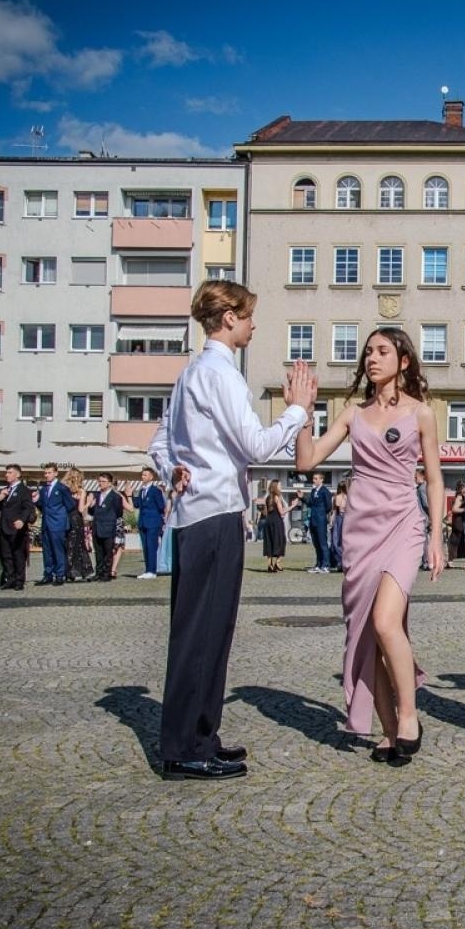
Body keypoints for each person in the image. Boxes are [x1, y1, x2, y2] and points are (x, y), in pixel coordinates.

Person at [149, 279, 313, 781]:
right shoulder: (221, 374)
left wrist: (173, 470)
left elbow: (159, 443)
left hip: (196, 513)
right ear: (229, 319)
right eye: (248, 316)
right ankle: (186, 747)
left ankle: (200, 735)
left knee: (205, 631)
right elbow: (255, 446)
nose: (253, 325)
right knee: (205, 633)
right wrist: (297, 410)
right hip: (215, 513)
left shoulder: (190, 374)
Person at [297, 327, 443, 764]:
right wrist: (303, 413)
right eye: (368, 353)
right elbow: (307, 460)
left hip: (403, 524)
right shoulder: (352, 414)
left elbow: (435, 479)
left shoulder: (422, 413)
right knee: (365, 637)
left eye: (382, 351)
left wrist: (436, 536)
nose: (372, 359)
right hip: (360, 531)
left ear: (404, 361)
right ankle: (389, 731)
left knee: (384, 622)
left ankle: (409, 716)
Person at [0, 464, 34, 590]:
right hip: (4, 526)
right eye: (6, 472)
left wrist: (22, 520)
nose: (6, 475)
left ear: (17, 475)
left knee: (18, 555)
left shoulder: (24, 490)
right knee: (6, 555)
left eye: (10, 472)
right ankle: (10, 578)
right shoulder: (5, 490)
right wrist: (0, 497)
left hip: (17, 528)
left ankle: (19, 580)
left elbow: (28, 507)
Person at [34, 462, 72, 586]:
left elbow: (70, 505)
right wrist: (36, 501)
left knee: (58, 550)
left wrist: (61, 516)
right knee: (47, 551)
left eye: (49, 473)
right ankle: (48, 574)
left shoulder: (62, 488)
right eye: (45, 473)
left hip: (58, 523)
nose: (47, 475)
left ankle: (60, 575)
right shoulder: (44, 489)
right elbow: (42, 506)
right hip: (46, 523)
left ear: (56, 473)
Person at [132, 467, 166, 579]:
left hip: (153, 522)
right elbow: (137, 504)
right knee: (145, 547)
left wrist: (158, 517)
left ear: (151, 477)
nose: (143, 477)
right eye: (142, 475)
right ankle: (147, 570)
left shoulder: (155, 491)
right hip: (143, 522)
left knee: (151, 546)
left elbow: (161, 506)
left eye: (145, 475)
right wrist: (130, 495)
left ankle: (152, 571)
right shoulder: (142, 490)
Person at [89, 473, 123, 581]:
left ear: (109, 483)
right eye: (99, 481)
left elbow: (119, 512)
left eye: (103, 481)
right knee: (98, 552)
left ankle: (106, 573)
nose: (100, 483)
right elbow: (92, 512)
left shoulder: (115, 497)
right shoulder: (96, 495)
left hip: (108, 527)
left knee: (108, 552)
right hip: (97, 526)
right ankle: (98, 572)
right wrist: (91, 506)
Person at [63, 468, 95, 582]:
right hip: (76, 519)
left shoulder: (65, 490)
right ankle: (83, 571)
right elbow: (81, 509)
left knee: (68, 545)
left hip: (66, 519)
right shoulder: (81, 491)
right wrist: (88, 502)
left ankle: (69, 572)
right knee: (79, 546)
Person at [305, 471, 333, 573]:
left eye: (316, 478)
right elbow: (310, 503)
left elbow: (329, 506)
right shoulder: (313, 491)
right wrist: (302, 497)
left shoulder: (325, 491)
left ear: (321, 480)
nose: (314, 480)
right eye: (313, 478)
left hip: (320, 520)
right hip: (313, 520)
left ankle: (326, 565)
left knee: (323, 543)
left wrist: (321, 514)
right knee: (316, 544)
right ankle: (318, 564)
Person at [260, 479, 287, 572]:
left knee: (269, 542)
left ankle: (270, 565)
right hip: (276, 522)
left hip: (268, 521)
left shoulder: (268, 498)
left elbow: (265, 512)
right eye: (280, 485)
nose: (281, 487)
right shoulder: (277, 497)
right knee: (281, 541)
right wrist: (291, 507)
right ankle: (277, 563)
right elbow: (282, 512)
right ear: (276, 487)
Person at [331, 478, 349, 572]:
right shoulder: (339, 497)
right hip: (340, 518)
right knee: (337, 541)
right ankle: (341, 562)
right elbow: (334, 510)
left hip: (343, 518)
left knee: (338, 541)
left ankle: (342, 562)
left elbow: (334, 510)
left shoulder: (347, 498)